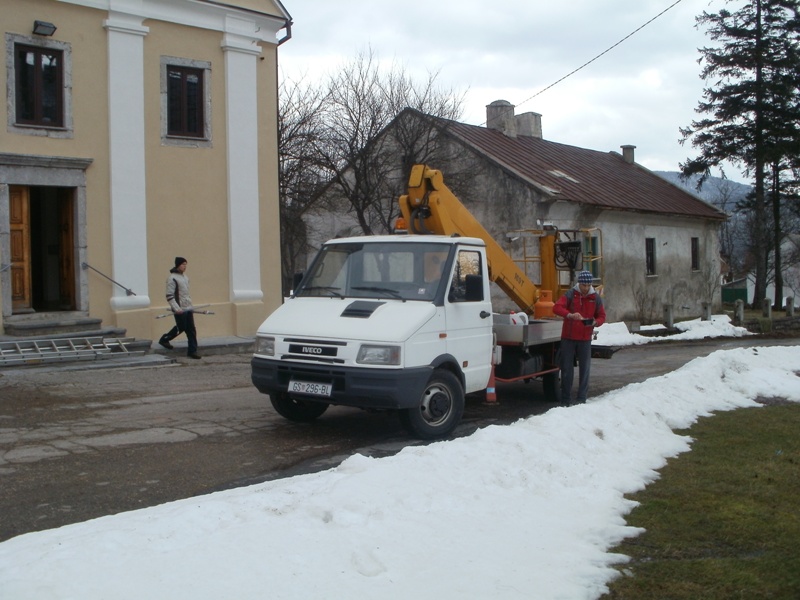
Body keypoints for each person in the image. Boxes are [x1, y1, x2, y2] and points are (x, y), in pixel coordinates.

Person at [552, 270, 605, 405]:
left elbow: (602, 316)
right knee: (566, 369)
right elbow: (557, 307)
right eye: (583, 285)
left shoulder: (595, 298)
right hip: (568, 337)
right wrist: (569, 315)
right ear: (579, 284)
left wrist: (595, 322)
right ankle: (565, 400)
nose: (586, 289)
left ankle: (582, 398)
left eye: (588, 286)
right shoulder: (571, 294)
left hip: (585, 337)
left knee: (585, 369)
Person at [158, 257, 201, 359]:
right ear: (178, 265)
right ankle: (165, 339)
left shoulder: (185, 278)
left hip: (187, 307)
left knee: (191, 329)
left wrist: (190, 305)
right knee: (181, 327)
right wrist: (176, 308)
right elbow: (169, 296)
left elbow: (186, 294)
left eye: (186, 264)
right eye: (183, 264)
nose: (185, 266)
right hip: (179, 308)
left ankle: (192, 351)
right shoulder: (172, 278)